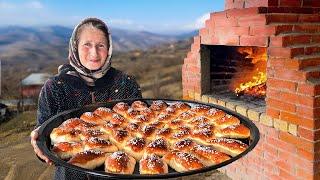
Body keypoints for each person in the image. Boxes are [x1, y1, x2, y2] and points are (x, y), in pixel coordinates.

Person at [30, 17, 142, 180]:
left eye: (101, 45)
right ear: (75, 47)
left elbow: (140, 134)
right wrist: (38, 145)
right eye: (87, 45)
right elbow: (46, 139)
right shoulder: (55, 87)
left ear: (109, 48)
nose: (94, 53)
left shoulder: (126, 83)